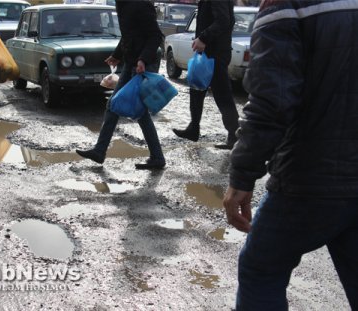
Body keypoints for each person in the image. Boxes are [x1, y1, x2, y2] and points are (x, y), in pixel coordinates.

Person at [223, 0, 358, 310]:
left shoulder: (286, 5)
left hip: (310, 179)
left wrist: (242, 175)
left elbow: (272, 102)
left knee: (262, 268)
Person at [76, 0, 165, 170]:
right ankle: (100, 151)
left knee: (139, 112)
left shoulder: (140, 4)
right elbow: (129, 35)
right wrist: (117, 55)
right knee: (114, 105)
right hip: (131, 63)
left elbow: (155, 36)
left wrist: (143, 59)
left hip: (142, 64)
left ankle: (157, 157)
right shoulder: (123, 3)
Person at [173, 0, 239, 150]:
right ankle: (193, 128)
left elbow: (223, 21)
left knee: (222, 95)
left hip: (215, 55)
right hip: (210, 53)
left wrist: (203, 38)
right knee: (196, 88)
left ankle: (235, 135)